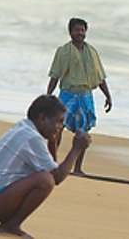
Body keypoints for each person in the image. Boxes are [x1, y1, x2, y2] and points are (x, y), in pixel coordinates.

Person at [0, 95, 91, 238]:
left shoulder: (24, 128)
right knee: (44, 181)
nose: (59, 128)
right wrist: (76, 149)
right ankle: (10, 226)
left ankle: (9, 224)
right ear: (43, 118)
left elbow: (50, 166)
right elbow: (56, 177)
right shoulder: (32, 137)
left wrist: (52, 142)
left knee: (45, 176)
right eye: (58, 122)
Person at [46, 17, 112, 175]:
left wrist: (108, 96)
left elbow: (100, 76)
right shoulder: (63, 52)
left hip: (86, 95)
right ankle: (50, 163)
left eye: (82, 30)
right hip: (67, 94)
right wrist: (48, 96)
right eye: (77, 30)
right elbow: (54, 75)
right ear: (70, 32)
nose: (80, 33)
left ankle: (77, 168)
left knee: (82, 132)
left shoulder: (92, 52)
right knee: (57, 129)